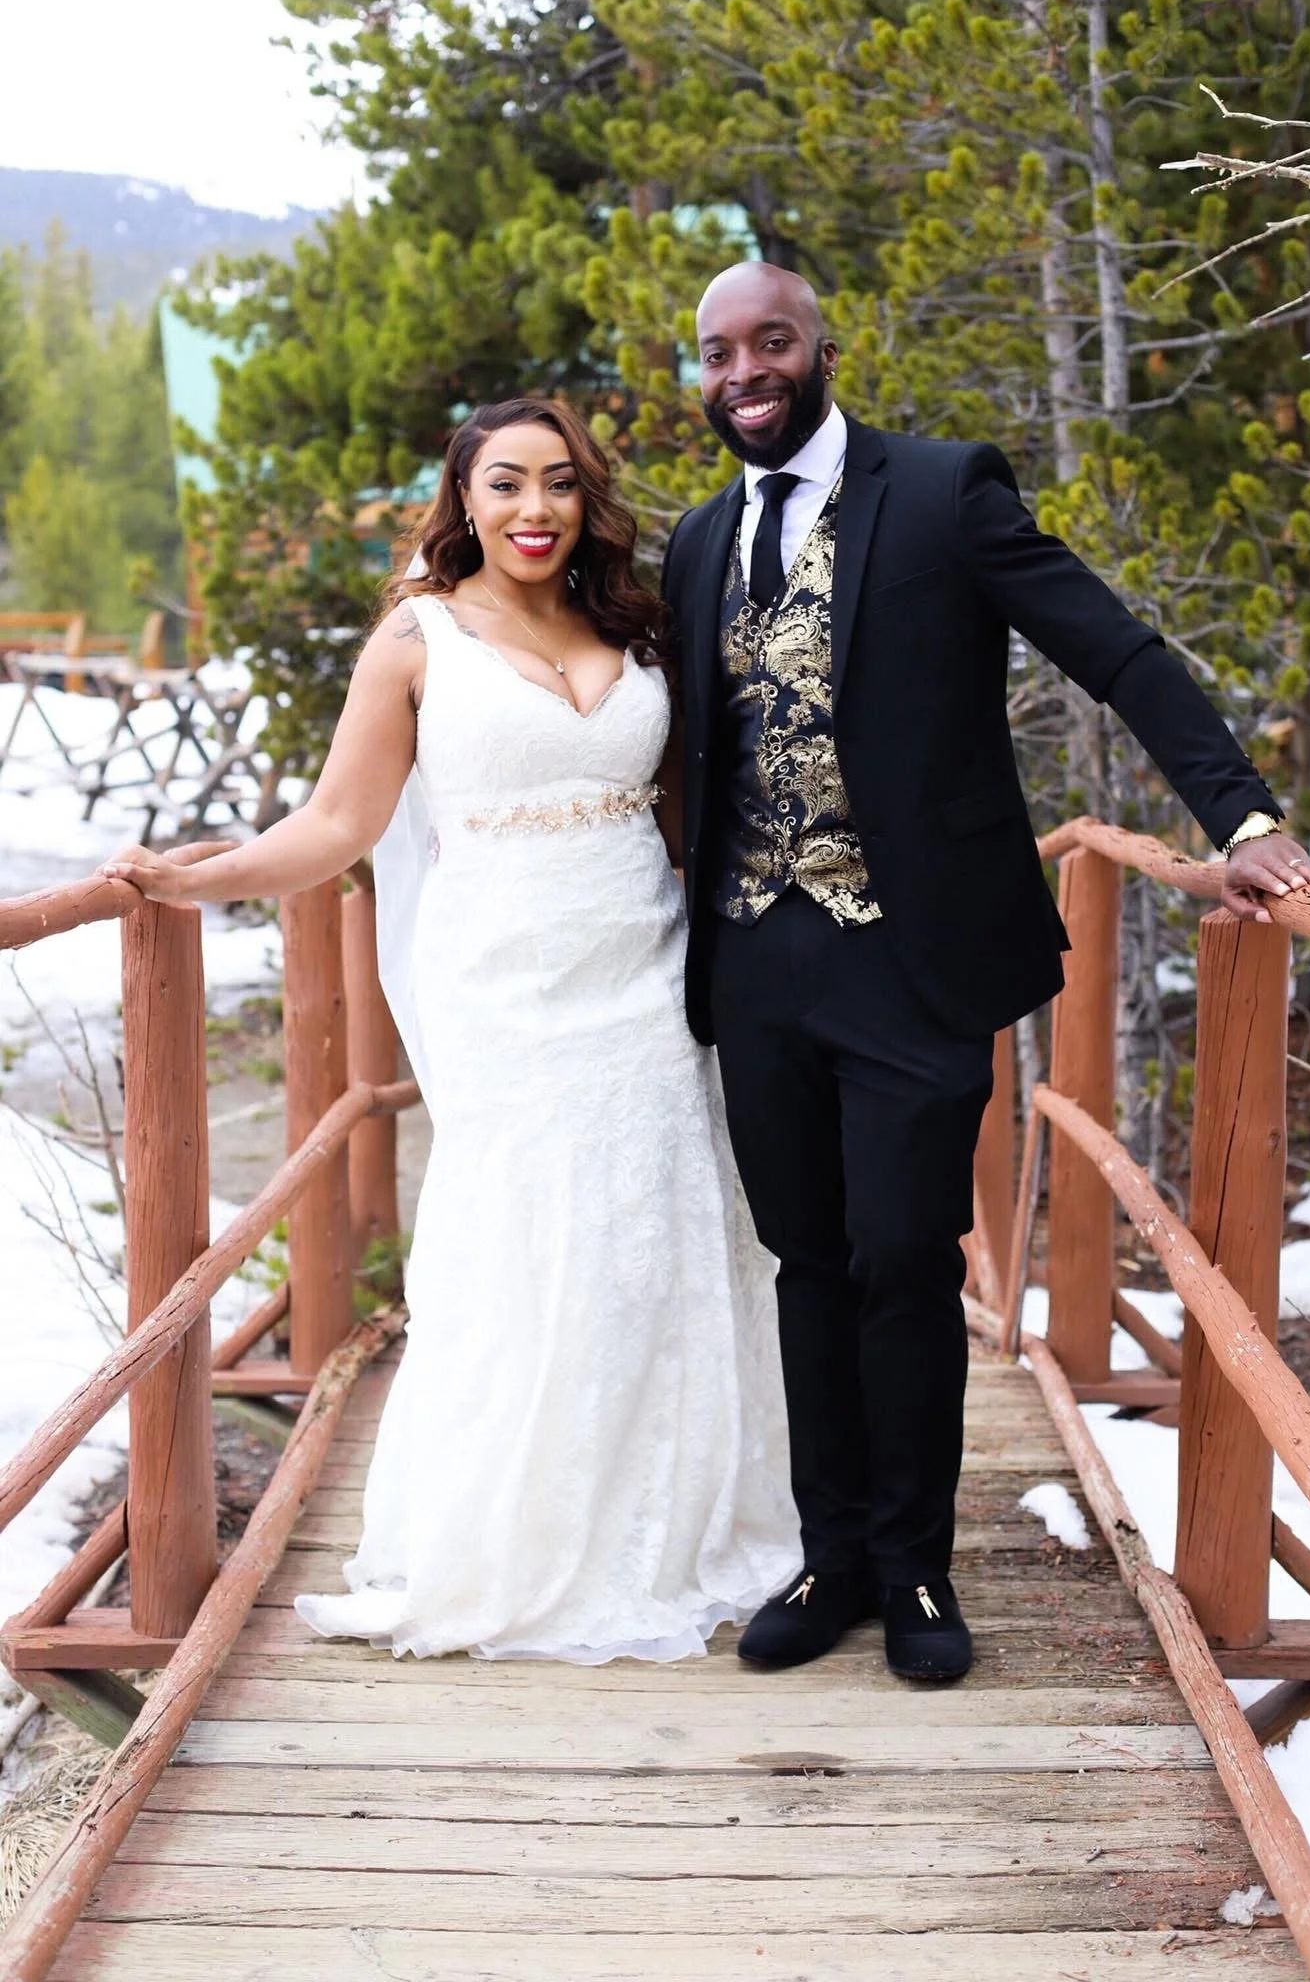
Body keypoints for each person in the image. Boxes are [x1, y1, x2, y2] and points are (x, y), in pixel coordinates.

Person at [661, 261, 1310, 1683]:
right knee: (807, 1265)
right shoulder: (698, 540)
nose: (742, 374)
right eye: (715, 355)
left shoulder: (943, 490)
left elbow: (1114, 652)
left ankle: (911, 1572)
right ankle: (828, 1553)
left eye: (767, 342)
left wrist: (1242, 820)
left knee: (904, 1258)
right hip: (756, 959)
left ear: (819, 344)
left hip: (909, 957)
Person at [99, 395, 801, 1663]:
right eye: (506, 485)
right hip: (508, 987)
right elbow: (336, 826)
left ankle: (672, 1520)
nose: (535, 509)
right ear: (464, 500)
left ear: (586, 500)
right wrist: (201, 877)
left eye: (559, 485)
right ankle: (516, 1537)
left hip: (648, 970)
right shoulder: (415, 639)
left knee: (662, 1229)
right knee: (529, 1238)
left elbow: (695, 802)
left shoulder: (632, 625)